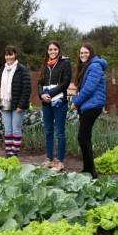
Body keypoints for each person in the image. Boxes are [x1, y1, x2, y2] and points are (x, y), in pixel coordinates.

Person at [71, 43, 108, 179]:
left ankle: (92, 172)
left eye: (86, 52)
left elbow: (89, 89)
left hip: (93, 106)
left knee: (82, 137)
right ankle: (87, 169)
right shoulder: (87, 67)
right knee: (85, 137)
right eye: (81, 53)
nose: (83, 55)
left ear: (91, 53)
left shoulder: (95, 66)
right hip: (87, 105)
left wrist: (76, 102)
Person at [38, 40, 72, 171]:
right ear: (47, 51)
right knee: (48, 131)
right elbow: (39, 82)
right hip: (46, 102)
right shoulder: (44, 64)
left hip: (59, 103)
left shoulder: (65, 64)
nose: (52, 52)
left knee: (60, 132)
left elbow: (65, 83)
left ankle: (60, 161)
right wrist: (41, 94)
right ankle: (49, 159)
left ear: (59, 50)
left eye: (55, 49)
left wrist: (49, 93)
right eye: (50, 50)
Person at [0, 45, 31, 157]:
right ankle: (8, 152)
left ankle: (14, 153)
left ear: (15, 55)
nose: (8, 57)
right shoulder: (2, 69)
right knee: (8, 130)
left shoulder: (22, 69)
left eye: (11, 54)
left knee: (16, 129)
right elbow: (1, 89)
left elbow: (27, 89)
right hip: (5, 104)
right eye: (7, 55)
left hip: (18, 105)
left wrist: (21, 105)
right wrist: (0, 104)